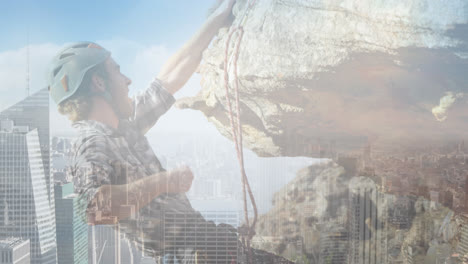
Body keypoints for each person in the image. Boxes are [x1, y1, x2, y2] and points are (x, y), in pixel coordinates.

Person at [48, 1, 293, 263]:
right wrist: (166, 182)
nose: (128, 80)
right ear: (99, 83)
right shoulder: (91, 143)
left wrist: (218, 19)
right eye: (117, 71)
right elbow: (96, 210)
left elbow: (168, 79)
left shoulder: (124, 126)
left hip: (208, 245)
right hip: (189, 255)